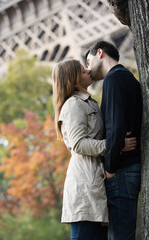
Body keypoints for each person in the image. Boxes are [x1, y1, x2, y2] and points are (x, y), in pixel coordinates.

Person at [52, 58, 137, 240]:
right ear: (73, 78)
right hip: (85, 187)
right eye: (83, 71)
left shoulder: (89, 102)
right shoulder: (74, 104)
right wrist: (115, 145)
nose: (88, 71)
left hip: (95, 185)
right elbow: (79, 144)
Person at [86, 41, 142, 240]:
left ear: (99, 53)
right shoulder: (128, 77)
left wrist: (109, 169)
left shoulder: (113, 79)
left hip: (120, 170)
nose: (87, 68)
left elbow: (116, 126)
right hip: (130, 167)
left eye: (88, 60)